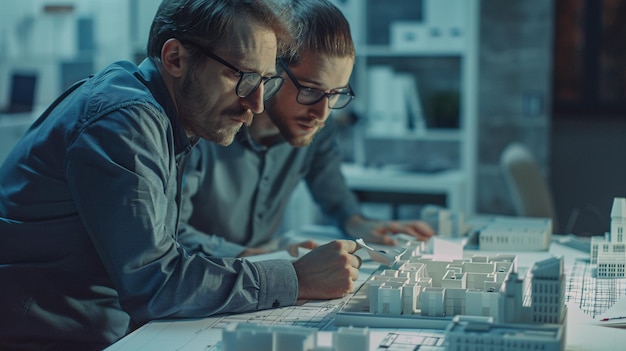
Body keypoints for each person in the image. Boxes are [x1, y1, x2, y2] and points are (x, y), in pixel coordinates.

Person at [0, 1, 362, 349]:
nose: (256, 104)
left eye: (265, 81)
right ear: (175, 58)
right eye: (243, 77)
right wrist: (296, 278)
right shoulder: (123, 121)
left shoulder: (165, 117)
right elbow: (154, 285)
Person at [179, 0, 435, 258]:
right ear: (269, 70)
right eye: (310, 89)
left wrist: (363, 225)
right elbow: (172, 235)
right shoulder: (207, 124)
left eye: (335, 93)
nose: (322, 113)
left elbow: (335, 198)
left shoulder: (315, 126)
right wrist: (263, 259)